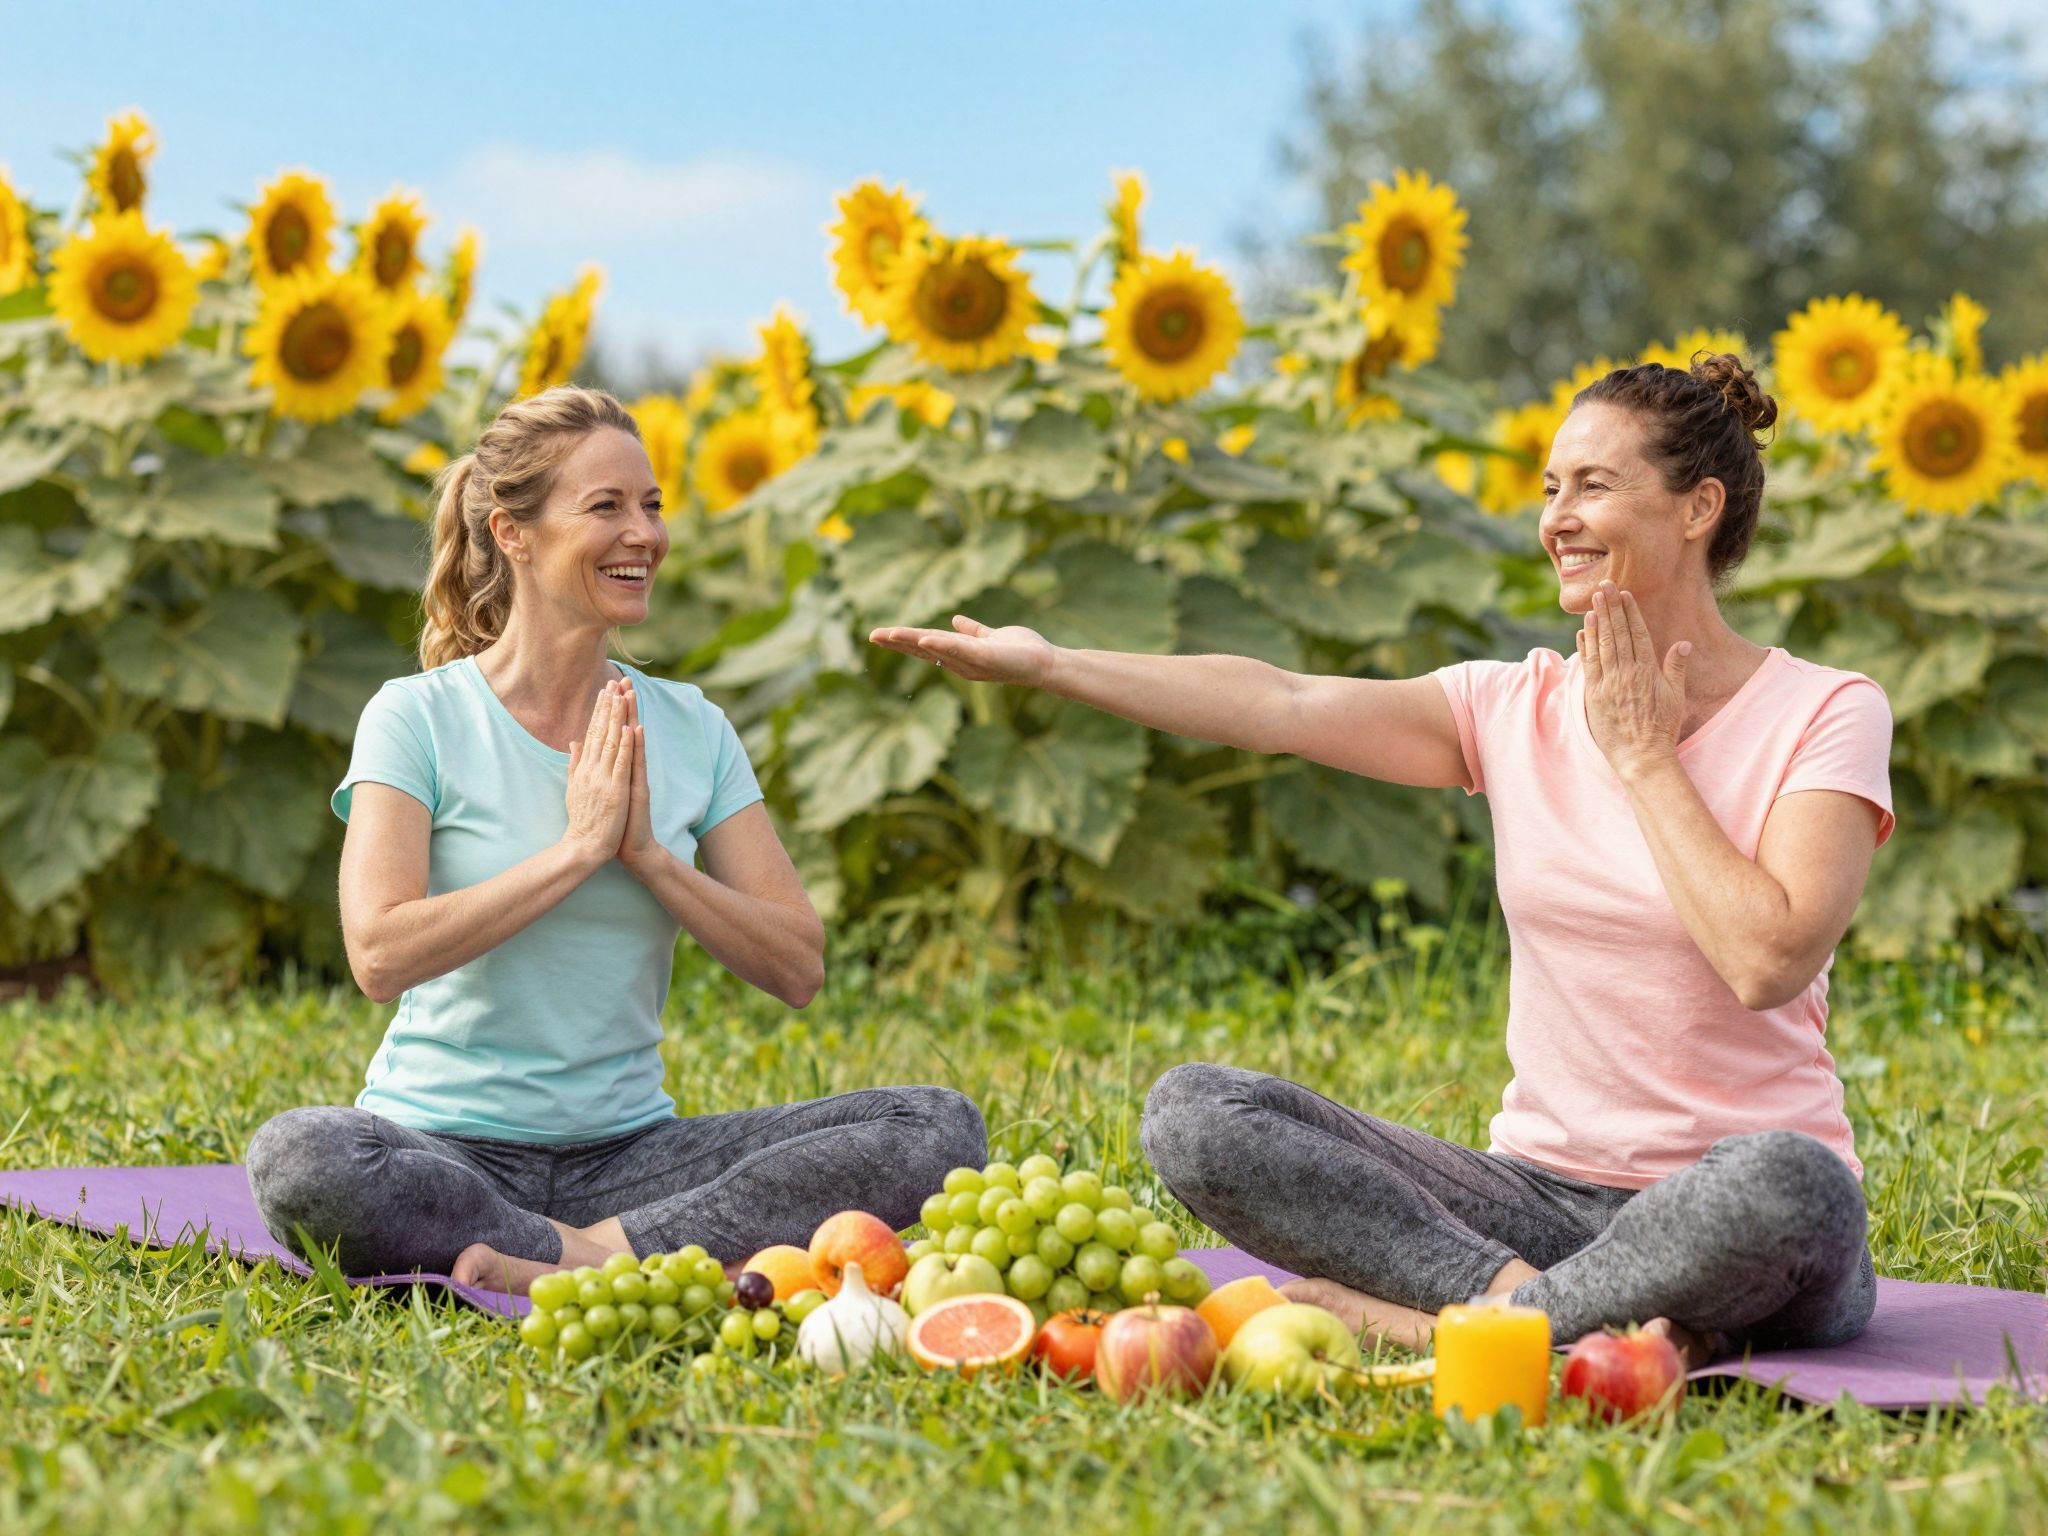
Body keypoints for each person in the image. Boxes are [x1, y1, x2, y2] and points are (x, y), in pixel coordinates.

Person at [870, 354, 1892, 1366]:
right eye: (1547, 489)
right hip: (1535, 1198)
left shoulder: (1822, 711)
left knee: (1787, 1187)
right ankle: (1521, 1311)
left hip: (1736, 1205)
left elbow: (1766, 959)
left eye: (1592, 486)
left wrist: (1640, 757)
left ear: (1695, 506)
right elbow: (1281, 704)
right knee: (1197, 1114)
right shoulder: (1511, 706)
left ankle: (1483, 1323)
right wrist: (1050, 664)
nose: (1555, 519)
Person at [248, 386, 985, 1294]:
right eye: (606, 507)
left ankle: (585, 1251)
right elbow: (378, 953)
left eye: (651, 506)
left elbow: (797, 966)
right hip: (443, 1147)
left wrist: (648, 857)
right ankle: (604, 1250)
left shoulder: (690, 725)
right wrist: (576, 852)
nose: (644, 534)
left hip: (632, 1157)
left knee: (937, 1127)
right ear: (512, 532)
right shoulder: (417, 717)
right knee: (302, 1158)